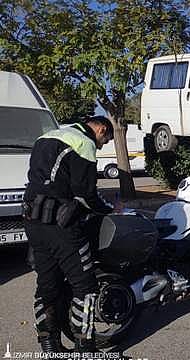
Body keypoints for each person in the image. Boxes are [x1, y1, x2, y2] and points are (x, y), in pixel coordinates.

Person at [23, 116, 116, 354]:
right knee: (85, 286)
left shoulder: (46, 137)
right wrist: (111, 209)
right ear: (101, 129)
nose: (102, 146)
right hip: (62, 224)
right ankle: (86, 349)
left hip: (33, 220)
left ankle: (50, 346)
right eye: (105, 141)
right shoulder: (83, 142)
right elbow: (86, 193)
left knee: (48, 284)